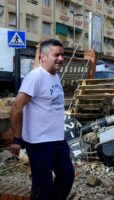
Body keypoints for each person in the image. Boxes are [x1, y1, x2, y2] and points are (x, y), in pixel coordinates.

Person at [9, 39, 75, 200]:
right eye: (56, 55)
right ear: (43, 57)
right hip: (39, 142)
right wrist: (17, 139)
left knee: (67, 176)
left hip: (57, 139)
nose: (61, 58)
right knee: (42, 185)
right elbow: (16, 107)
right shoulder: (35, 77)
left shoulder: (55, 76)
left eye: (62, 55)